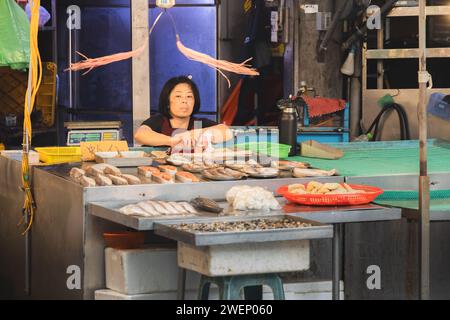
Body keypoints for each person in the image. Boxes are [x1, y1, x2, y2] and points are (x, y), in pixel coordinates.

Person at [134, 76, 232, 151]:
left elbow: (225, 131)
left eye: (189, 96)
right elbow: (140, 134)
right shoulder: (159, 121)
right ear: (167, 101)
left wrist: (193, 134)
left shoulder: (198, 124)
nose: (184, 101)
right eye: (178, 96)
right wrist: (172, 140)